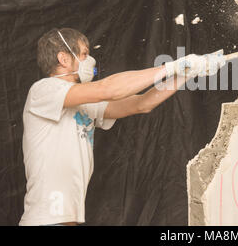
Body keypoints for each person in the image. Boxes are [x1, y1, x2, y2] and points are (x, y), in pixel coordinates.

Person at [19, 27, 225, 226]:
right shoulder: (44, 90)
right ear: (63, 58)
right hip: (45, 220)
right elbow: (107, 89)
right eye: (84, 54)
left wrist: (185, 74)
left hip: (64, 220)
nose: (90, 61)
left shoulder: (85, 103)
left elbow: (142, 104)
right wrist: (172, 66)